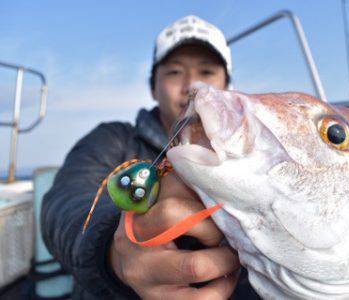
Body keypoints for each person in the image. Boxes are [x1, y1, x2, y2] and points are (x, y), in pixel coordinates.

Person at [42, 15, 260, 299]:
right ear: (152, 87)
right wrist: (111, 248)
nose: (192, 86)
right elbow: (63, 202)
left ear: (227, 86)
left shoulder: (252, 156)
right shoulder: (114, 139)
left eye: (207, 72)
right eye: (174, 72)